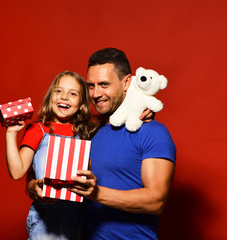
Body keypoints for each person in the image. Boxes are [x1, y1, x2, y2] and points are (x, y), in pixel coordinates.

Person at [27, 48, 175, 239]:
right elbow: (45, 166)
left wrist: (96, 193)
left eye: (104, 84)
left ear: (127, 82)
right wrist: (33, 186)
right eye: (91, 86)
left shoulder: (153, 132)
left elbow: (156, 201)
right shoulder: (87, 130)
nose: (96, 94)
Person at [5, 71, 97, 240]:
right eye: (58, 91)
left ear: (82, 104)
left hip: (77, 218)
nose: (64, 97)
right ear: (50, 97)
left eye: (73, 93)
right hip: (45, 218)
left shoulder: (86, 133)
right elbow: (17, 172)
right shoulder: (37, 130)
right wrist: (11, 134)